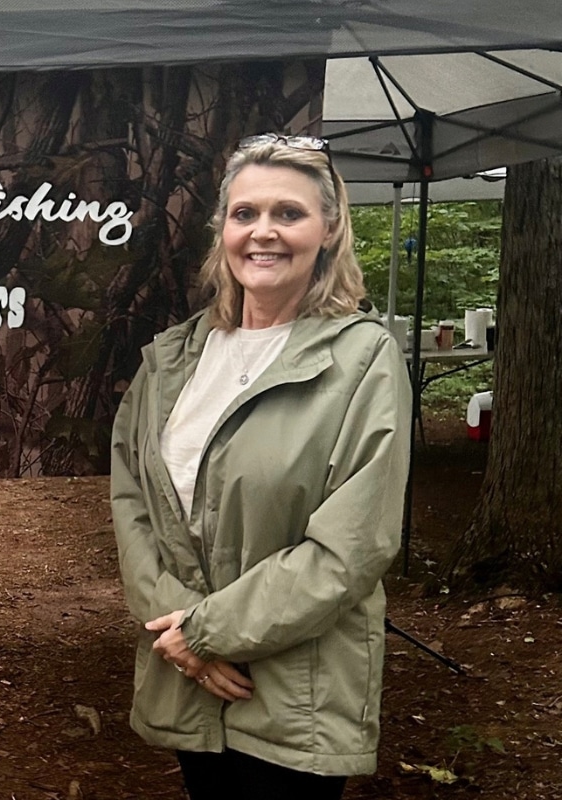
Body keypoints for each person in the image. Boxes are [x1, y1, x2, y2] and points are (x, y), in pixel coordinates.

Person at [111, 133, 411, 800]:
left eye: (289, 213)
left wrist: (206, 632)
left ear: (329, 231)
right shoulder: (172, 359)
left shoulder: (363, 360)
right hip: (188, 682)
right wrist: (180, 631)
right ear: (223, 230)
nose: (263, 233)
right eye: (246, 214)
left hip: (296, 694)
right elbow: (134, 504)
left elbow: (351, 547)